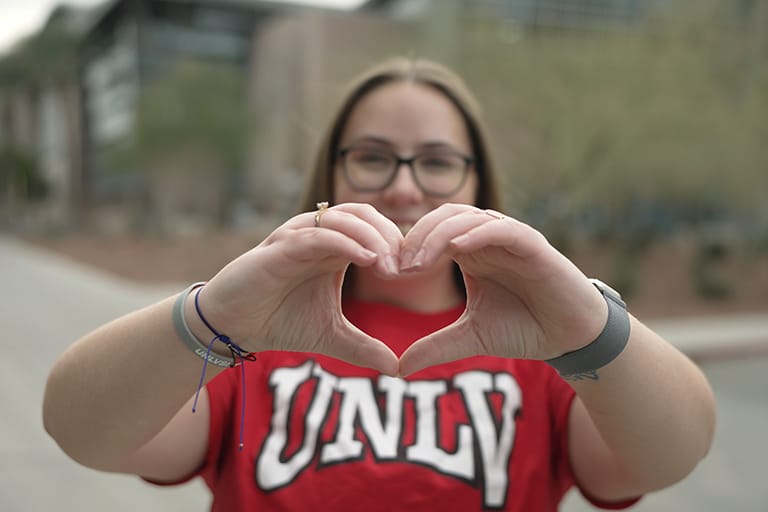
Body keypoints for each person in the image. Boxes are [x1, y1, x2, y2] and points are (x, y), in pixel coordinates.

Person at [43, 57, 715, 511]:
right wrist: (209, 317)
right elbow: (80, 432)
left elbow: (673, 453)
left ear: (479, 184)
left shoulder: (545, 352)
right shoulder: (248, 337)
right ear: (329, 179)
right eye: (371, 157)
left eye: (437, 162)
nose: (401, 186)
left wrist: (587, 330)